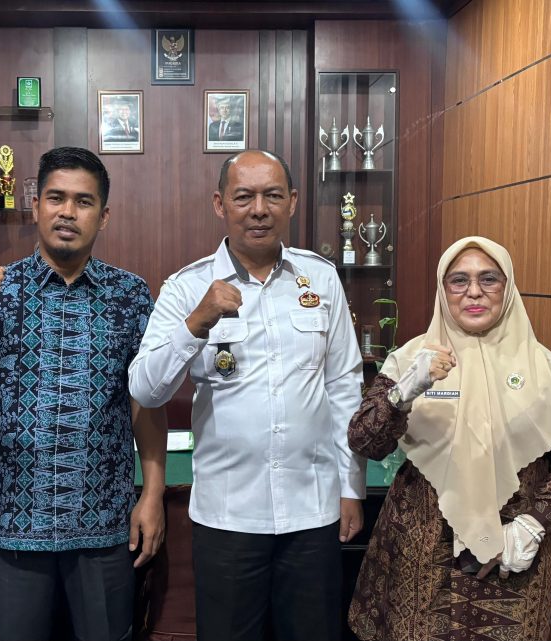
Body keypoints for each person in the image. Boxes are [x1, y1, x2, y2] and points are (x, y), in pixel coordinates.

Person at [0, 146, 167, 641]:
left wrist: (153, 493)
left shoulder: (131, 295)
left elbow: (146, 400)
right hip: (12, 524)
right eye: (56, 198)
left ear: (104, 216)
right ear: (36, 206)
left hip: (103, 521)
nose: (67, 212)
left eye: (83, 201)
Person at [129, 149, 366, 641]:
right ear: (220, 204)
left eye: (272, 196)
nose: (259, 209)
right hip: (228, 517)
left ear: (292, 202)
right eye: (244, 197)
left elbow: (344, 386)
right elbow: (146, 390)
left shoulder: (321, 278)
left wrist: (352, 487)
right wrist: (195, 324)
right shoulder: (187, 286)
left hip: (312, 510)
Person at [347, 236, 551, 641]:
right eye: (459, 280)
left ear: (507, 288)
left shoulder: (544, 368)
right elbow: (365, 441)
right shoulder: (411, 359)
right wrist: (404, 392)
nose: (474, 292)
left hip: (512, 562)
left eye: (489, 279)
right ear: (443, 291)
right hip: (421, 557)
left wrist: (533, 524)